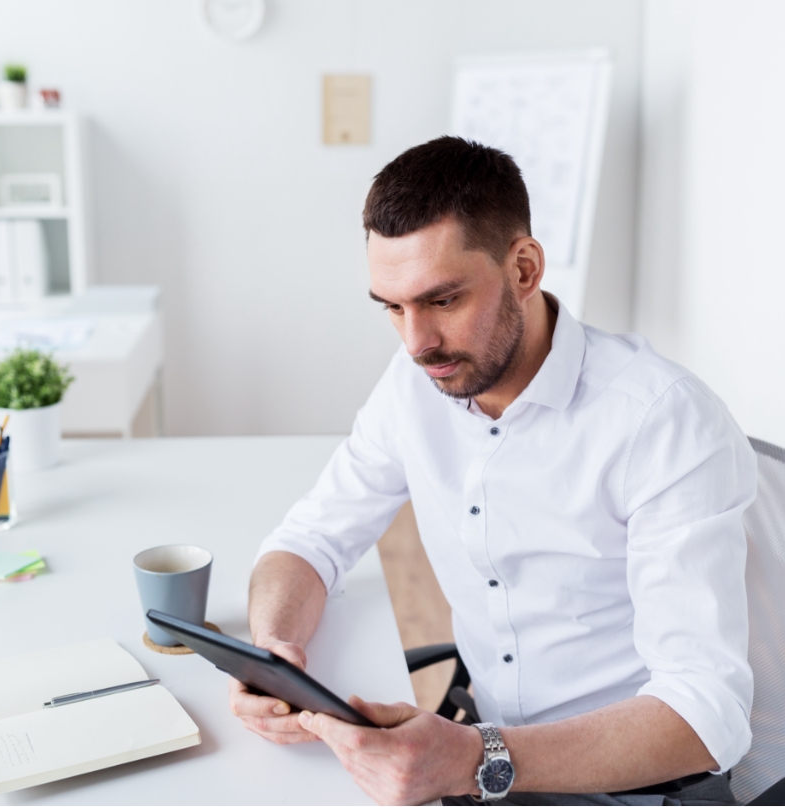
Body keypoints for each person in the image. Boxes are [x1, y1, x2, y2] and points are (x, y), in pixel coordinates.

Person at [229, 136, 756, 805]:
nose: (416, 342)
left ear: (525, 269)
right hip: (491, 754)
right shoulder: (414, 384)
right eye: (392, 307)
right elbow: (310, 538)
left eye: (442, 300)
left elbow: (706, 710)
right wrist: (274, 649)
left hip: (635, 780)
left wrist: (479, 757)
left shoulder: (662, 421)